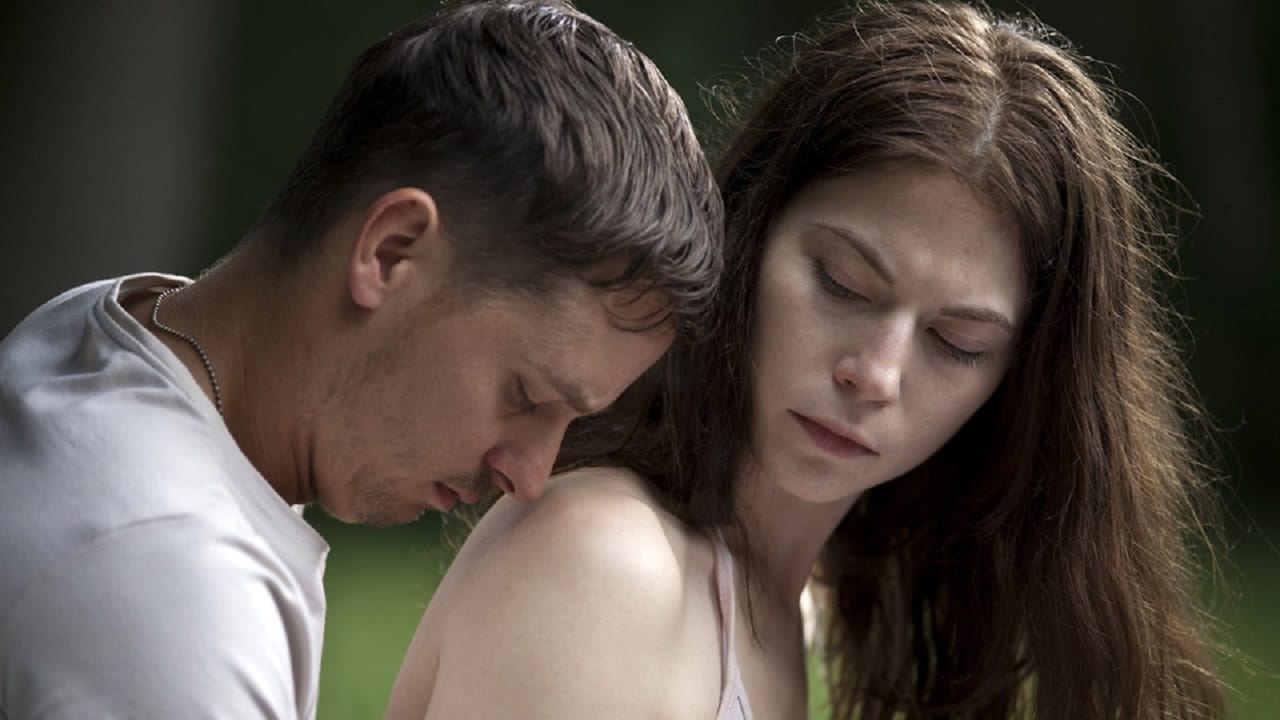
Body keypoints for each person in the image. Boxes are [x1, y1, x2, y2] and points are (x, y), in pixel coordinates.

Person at [386, 2, 1225, 719]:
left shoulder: (791, 611)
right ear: (749, 230)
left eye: (955, 344)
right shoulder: (607, 564)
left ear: (1018, 387)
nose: (876, 374)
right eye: (842, 283)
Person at [0, 1, 722, 716]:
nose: (529, 478)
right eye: (526, 395)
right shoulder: (170, 592)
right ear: (390, 251)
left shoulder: (107, 332)